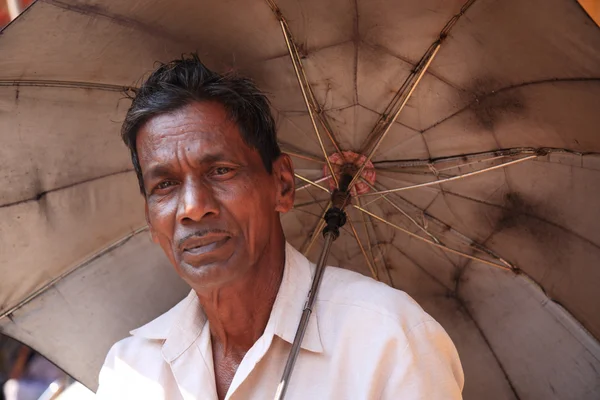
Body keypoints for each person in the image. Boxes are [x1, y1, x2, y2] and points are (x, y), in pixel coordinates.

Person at [96, 54, 464, 400]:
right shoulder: (130, 371)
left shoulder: (388, 340)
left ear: (282, 185)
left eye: (220, 171)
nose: (192, 208)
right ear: (149, 218)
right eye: (165, 185)